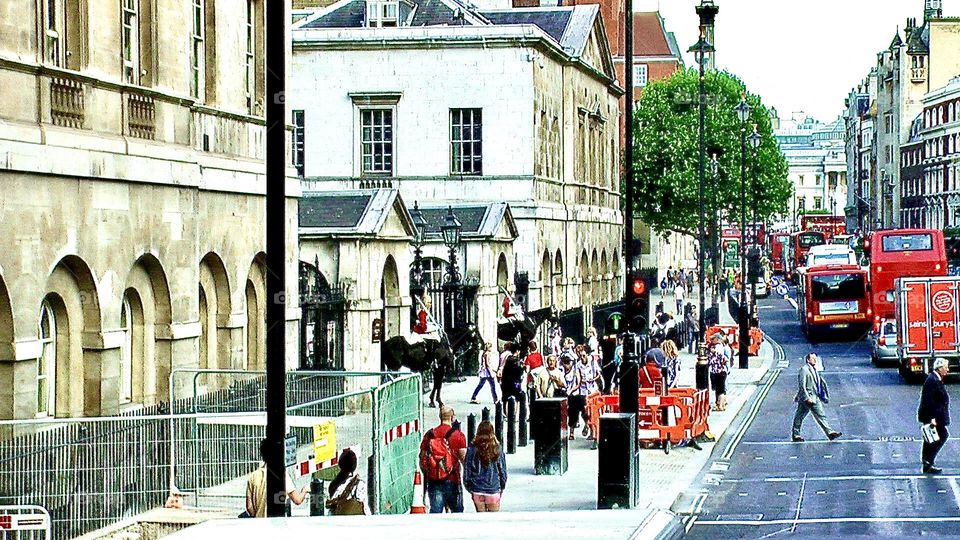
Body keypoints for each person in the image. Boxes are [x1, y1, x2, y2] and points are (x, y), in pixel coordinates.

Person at [419, 406, 468, 513]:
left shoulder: (429, 435)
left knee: (435, 512)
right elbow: (464, 459)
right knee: (457, 513)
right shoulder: (458, 435)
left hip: (434, 479)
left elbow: (422, 458)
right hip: (453, 478)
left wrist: (429, 472)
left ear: (439, 417)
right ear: (452, 417)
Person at [245, 438, 308, 518]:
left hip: (259, 524)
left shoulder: (253, 476)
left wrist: (257, 516)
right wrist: (304, 490)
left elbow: (249, 506)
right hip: (277, 524)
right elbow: (297, 500)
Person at [792, 352, 841, 442]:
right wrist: (807, 398)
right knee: (799, 416)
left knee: (821, 415)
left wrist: (824, 395)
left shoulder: (815, 369)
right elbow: (802, 385)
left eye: (815, 358)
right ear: (807, 360)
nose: (815, 360)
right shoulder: (804, 370)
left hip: (815, 396)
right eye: (812, 358)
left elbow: (819, 383)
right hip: (807, 398)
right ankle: (796, 435)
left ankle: (830, 433)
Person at [463, 421, 508, 512]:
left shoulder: (472, 449)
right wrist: (501, 487)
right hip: (493, 488)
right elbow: (503, 472)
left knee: (481, 519)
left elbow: (467, 471)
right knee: (493, 521)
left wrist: (470, 487)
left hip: (477, 488)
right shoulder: (497, 449)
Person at [919, 358, 951, 474]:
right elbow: (929, 400)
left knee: (931, 438)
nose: (947, 370)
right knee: (940, 436)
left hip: (936, 415)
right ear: (940, 368)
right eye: (946, 367)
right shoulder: (932, 380)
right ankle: (928, 461)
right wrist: (932, 418)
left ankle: (928, 462)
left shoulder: (935, 379)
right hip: (933, 416)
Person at [326, 448, 369, 515]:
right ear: (355, 465)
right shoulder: (359, 484)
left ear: (340, 464)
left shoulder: (334, 484)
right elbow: (365, 508)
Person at [575, 345, 601, 437]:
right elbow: (577, 377)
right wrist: (581, 381)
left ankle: (592, 432)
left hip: (592, 390)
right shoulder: (578, 365)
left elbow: (598, 374)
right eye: (580, 356)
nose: (582, 357)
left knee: (593, 411)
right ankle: (587, 425)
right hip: (583, 390)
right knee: (584, 411)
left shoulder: (593, 362)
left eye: (583, 355)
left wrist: (593, 378)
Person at [562, 356, 584, 440]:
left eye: (568, 363)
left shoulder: (575, 371)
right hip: (565, 394)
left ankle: (572, 432)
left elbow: (578, 383)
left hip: (575, 395)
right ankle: (568, 431)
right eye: (565, 363)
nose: (567, 365)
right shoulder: (561, 370)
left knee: (574, 413)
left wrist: (571, 390)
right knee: (568, 413)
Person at [708, 336, 729, 411]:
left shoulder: (714, 354)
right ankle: (721, 405)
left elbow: (726, 360)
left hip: (718, 373)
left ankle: (720, 405)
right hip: (721, 372)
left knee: (720, 390)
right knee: (721, 390)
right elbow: (726, 360)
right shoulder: (717, 353)